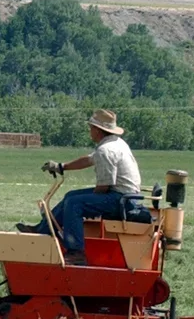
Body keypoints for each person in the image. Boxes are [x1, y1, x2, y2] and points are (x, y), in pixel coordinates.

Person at [17, 109, 149, 264]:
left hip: (122, 200)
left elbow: (104, 186)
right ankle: (42, 230)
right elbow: (87, 160)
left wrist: (89, 202)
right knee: (71, 196)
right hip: (124, 196)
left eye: (91, 127)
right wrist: (61, 166)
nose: (90, 131)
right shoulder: (115, 143)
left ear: (98, 130)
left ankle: (76, 252)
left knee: (75, 203)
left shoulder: (106, 151)